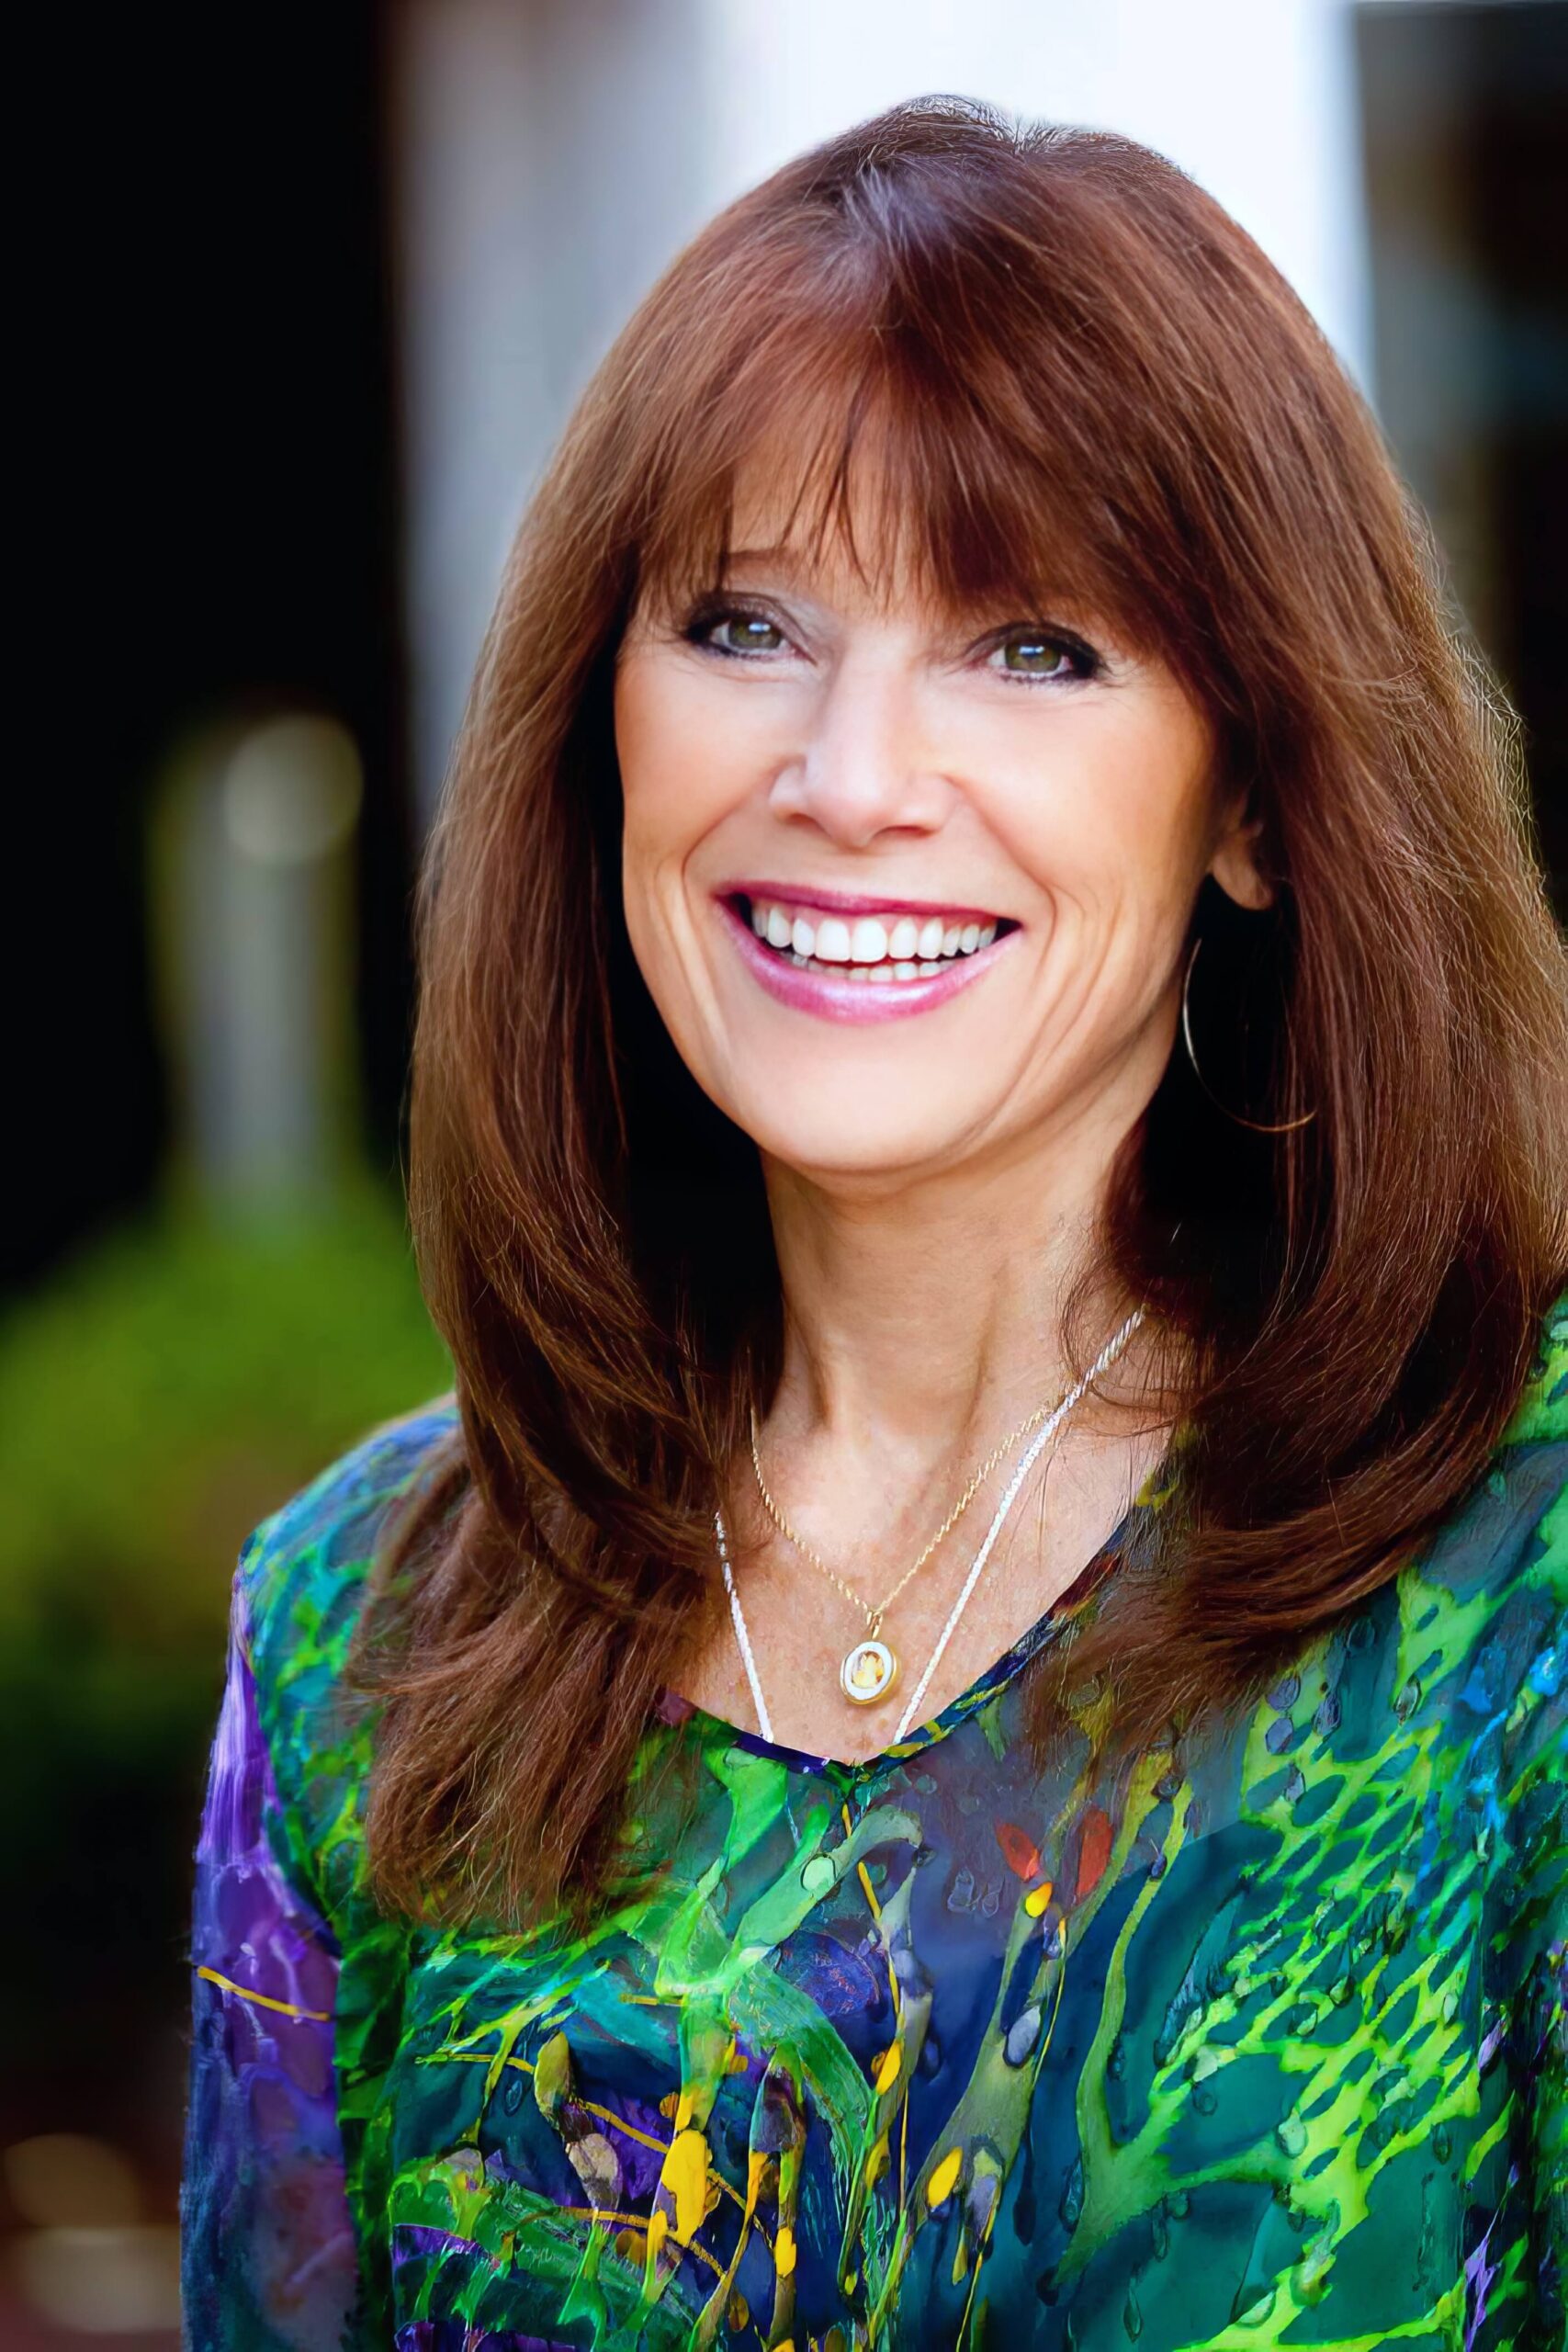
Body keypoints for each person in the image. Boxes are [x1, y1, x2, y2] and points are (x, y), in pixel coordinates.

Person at [179, 98, 1567, 2351]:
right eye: (742, 620)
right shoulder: (362, 1629)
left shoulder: (1519, 1569)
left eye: (1029, 645)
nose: (844, 774)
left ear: (1250, 801)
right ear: (597, 728)